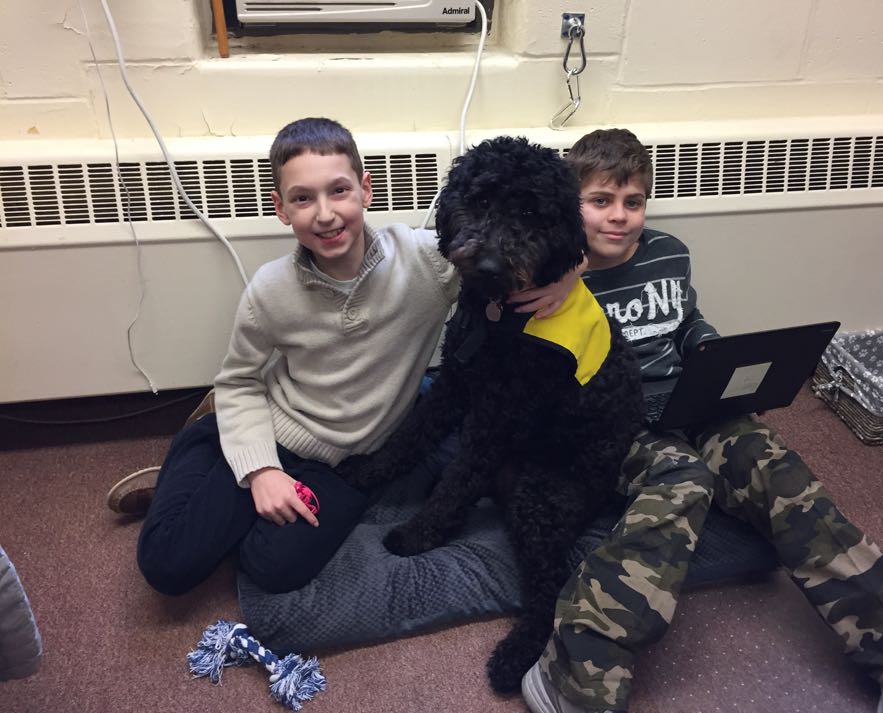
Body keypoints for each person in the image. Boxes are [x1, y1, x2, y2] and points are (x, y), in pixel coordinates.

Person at [520, 128, 883, 713]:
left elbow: (688, 321)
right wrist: (563, 278)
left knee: (778, 471)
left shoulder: (669, 252)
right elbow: (522, 366)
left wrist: (718, 362)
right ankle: (574, 670)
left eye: (633, 201)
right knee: (685, 479)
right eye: (600, 201)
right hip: (612, 425)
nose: (620, 217)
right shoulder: (546, 277)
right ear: (572, 206)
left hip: (694, 401)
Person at [107, 117, 576, 596]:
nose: (326, 214)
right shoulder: (269, 290)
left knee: (273, 568)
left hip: (349, 462)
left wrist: (570, 273)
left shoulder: (429, 265)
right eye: (303, 198)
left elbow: (539, 238)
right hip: (278, 429)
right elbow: (238, 381)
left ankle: (208, 493)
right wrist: (262, 471)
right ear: (281, 209)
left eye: (339, 191)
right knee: (167, 564)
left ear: (365, 190)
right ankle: (206, 452)